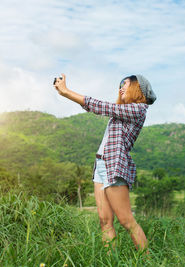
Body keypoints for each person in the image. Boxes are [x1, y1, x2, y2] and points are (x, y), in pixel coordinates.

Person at [53, 73, 156, 254]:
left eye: (125, 84)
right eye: (120, 85)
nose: (121, 87)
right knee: (104, 220)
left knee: (126, 220)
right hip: (100, 166)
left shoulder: (139, 109)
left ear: (138, 88)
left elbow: (100, 106)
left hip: (114, 165)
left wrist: (67, 92)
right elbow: (97, 108)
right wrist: (66, 94)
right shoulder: (122, 113)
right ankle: (111, 261)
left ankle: (148, 260)